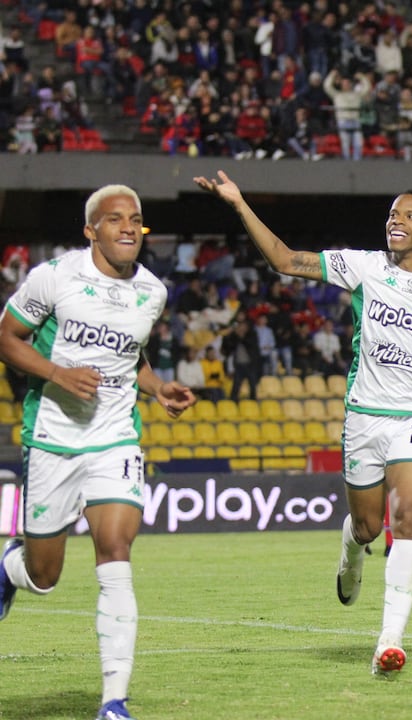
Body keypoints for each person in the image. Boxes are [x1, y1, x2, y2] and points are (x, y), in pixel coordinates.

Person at [193, 170, 412, 677]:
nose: (396, 221)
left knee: (407, 520)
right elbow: (284, 259)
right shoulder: (362, 266)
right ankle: (351, 552)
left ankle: (390, 640)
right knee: (368, 525)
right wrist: (238, 203)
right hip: (365, 417)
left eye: (408, 216)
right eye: (392, 214)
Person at [0, 184, 197, 720]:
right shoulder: (55, 277)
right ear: (91, 230)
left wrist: (158, 389)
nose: (129, 227)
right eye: (115, 219)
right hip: (53, 440)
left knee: (116, 552)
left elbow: (131, 356)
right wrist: (57, 374)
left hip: (115, 437)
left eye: (136, 219)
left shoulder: (152, 292)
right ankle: (10, 568)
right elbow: (7, 337)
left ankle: (113, 702)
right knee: (44, 576)